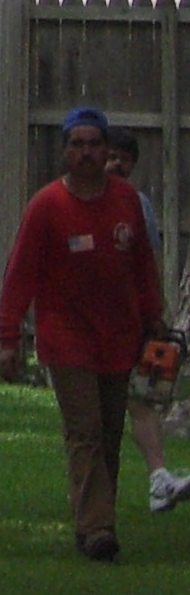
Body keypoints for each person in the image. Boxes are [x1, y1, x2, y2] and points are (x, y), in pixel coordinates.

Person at [0, 104, 165, 559]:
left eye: (94, 144)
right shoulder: (47, 206)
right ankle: (97, 530)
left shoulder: (126, 202)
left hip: (118, 338)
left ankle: (91, 517)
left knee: (109, 432)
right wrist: (8, 337)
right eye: (78, 144)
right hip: (65, 339)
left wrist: (154, 319)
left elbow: (143, 268)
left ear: (106, 149)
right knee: (85, 429)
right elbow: (20, 275)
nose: (87, 152)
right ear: (65, 151)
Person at [105, 129, 185, 512]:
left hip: (131, 320)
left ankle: (159, 481)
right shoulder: (71, 200)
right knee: (95, 416)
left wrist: (155, 315)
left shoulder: (139, 205)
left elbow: (148, 263)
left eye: (124, 157)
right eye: (111, 155)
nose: (116, 163)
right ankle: (93, 496)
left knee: (142, 398)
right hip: (84, 328)